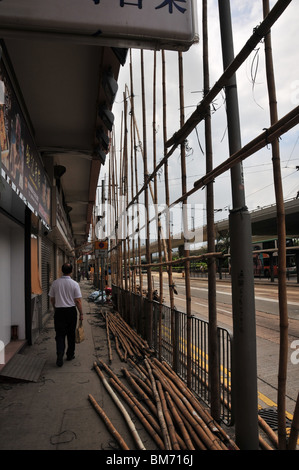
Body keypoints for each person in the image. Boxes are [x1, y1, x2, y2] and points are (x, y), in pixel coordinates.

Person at [49, 263, 83, 367]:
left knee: (59, 334)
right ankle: (69, 354)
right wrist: (81, 313)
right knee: (70, 334)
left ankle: (60, 354)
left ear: (61, 270)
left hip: (59, 312)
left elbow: (52, 299)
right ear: (71, 271)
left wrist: (56, 308)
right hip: (71, 312)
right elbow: (77, 301)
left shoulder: (55, 283)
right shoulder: (74, 284)